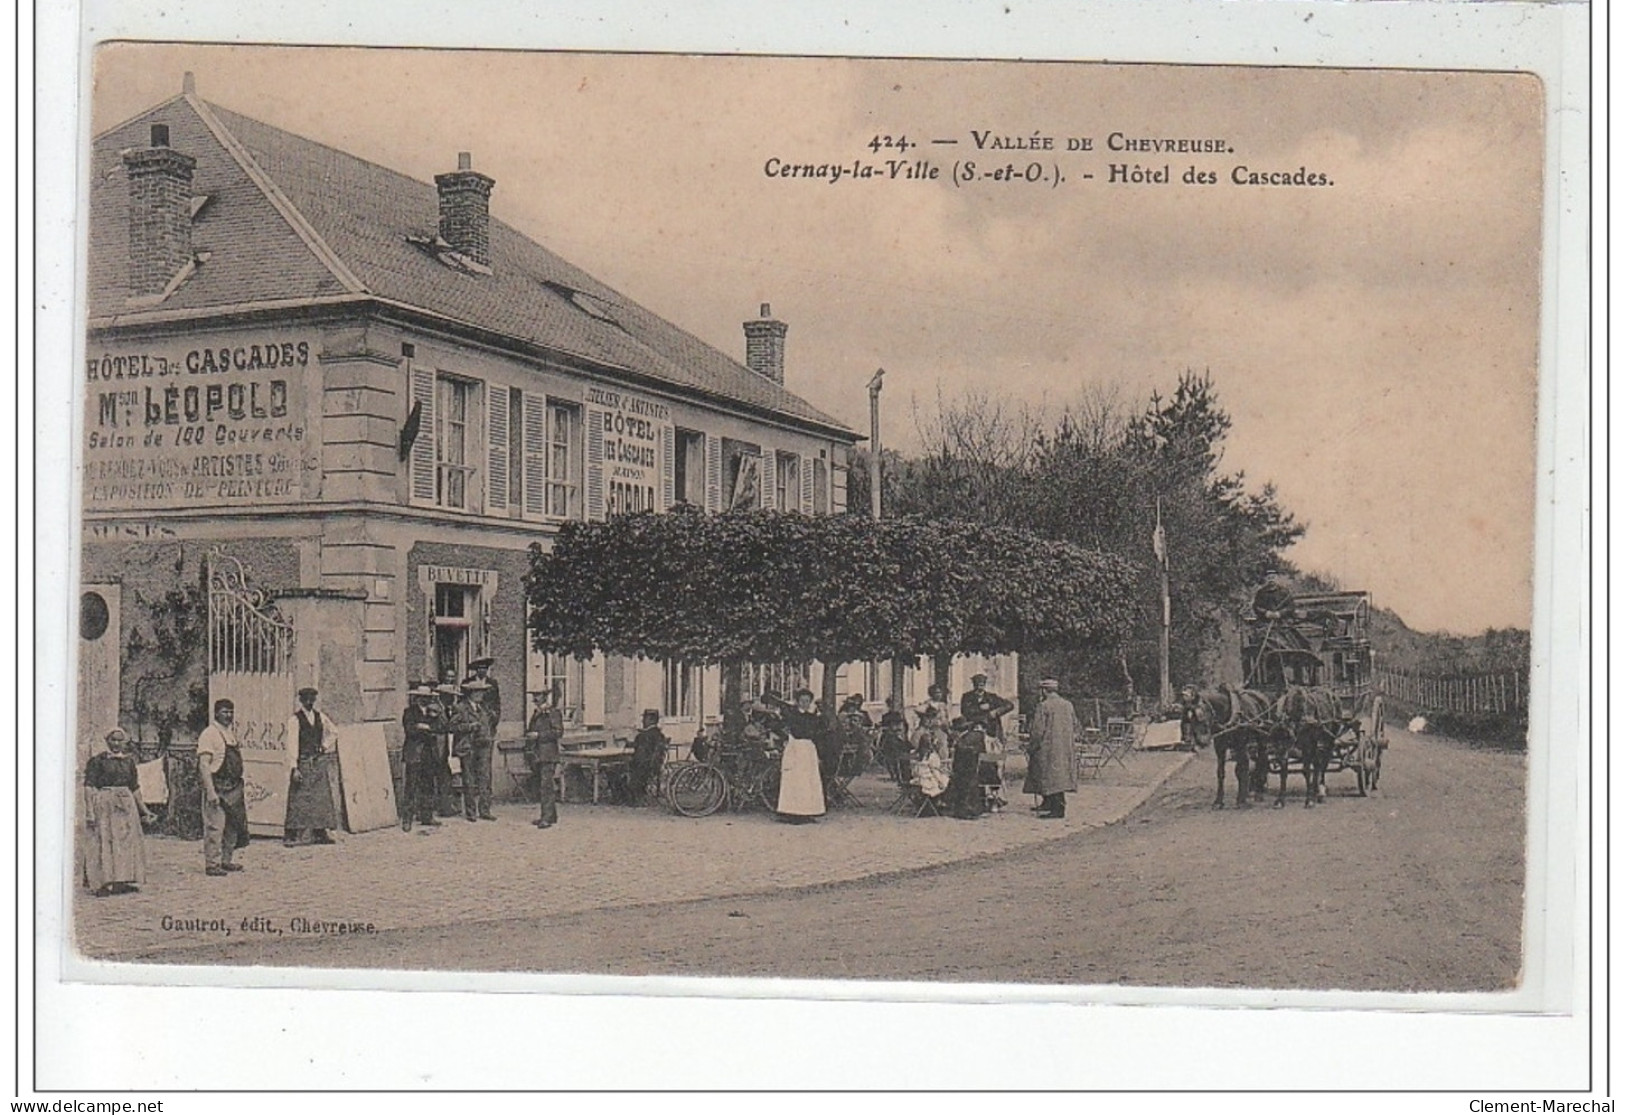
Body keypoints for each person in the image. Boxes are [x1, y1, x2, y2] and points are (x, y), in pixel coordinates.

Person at [82, 728, 152, 896]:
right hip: (105, 804)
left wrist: (144, 811)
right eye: (113, 740)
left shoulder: (129, 762)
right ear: (107, 741)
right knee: (105, 840)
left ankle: (122, 881)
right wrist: (90, 811)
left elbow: (135, 788)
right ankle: (102, 883)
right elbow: (89, 787)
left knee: (126, 842)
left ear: (125, 742)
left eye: (120, 740)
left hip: (126, 805)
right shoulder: (97, 761)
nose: (116, 743)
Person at [196, 699, 249, 875]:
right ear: (216, 713)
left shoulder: (230, 734)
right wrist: (210, 791)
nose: (228, 715)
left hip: (233, 786)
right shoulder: (209, 734)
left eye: (231, 712)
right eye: (225, 712)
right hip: (217, 785)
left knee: (232, 826)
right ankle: (212, 863)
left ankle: (226, 860)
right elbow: (204, 765)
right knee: (215, 826)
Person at [283, 687, 340, 846]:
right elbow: (292, 744)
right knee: (299, 797)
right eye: (306, 698)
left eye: (312, 698)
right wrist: (294, 767)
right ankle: (291, 834)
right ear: (300, 700)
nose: (309, 701)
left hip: (318, 761)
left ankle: (319, 832)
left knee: (320, 797)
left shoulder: (320, 717)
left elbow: (334, 732)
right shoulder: (294, 720)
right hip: (303, 762)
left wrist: (324, 746)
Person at [765, 689, 825, 822]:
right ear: (797, 702)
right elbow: (779, 726)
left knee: (809, 781)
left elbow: (817, 733)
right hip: (796, 748)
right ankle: (792, 812)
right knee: (795, 780)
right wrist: (786, 736)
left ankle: (808, 812)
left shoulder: (813, 717)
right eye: (802, 701)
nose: (805, 704)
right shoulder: (792, 715)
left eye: (807, 701)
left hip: (808, 749)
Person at [1023, 678, 1079, 820]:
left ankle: (1057, 809)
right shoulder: (1068, 705)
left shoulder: (1043, 706)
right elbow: (1075, 725)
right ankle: (1047, 802)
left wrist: (1031, 746)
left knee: (1048, 775)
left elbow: (1037, 730)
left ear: (1044, 691)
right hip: (1064, 747)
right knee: (1057, 774)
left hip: (1047, 747)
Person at [449, 682, 496, 821]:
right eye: (478, 692)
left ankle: (485, 811)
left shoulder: (483, 709)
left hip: (483, 748)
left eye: (482, 692)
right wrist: (469, 726)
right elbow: (452, 726)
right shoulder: (460, 708)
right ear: (471, 693)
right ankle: (471, 812)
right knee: (468, 780)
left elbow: (489, 725)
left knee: (485, 779)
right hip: (468, 748)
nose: (481, 695)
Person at [401, 684, 444, 832]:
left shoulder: (435, 713)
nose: (425, 700)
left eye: (428, 697)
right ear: (417, 697)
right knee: (411, 787)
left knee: (428, 786)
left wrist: (425, 727)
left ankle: (427, 816)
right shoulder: (409, 712)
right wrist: (424, 729)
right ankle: (407, 819)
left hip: (429, 754)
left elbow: (440, 728)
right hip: (414, 753)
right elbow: (410, 731)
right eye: (423, 697)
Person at [527, 690, 565, 828]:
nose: (535, 698)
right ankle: (550, 815)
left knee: (546, 786)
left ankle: (546, 818)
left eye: (537, 695)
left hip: (548, 754)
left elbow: (558, 732)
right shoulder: (537, 713)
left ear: (544, 696)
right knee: (543, 785)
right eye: (533, 696)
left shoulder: (552, 712)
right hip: (538, 754)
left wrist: (538, 735)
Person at [628, 709, 669, 805]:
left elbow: (640, 754)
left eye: (644, 718)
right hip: (655, 766)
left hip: (644, 766)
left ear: (651, 720)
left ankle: (629, 797)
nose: (642, 721)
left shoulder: (644, 736)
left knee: (616, 769)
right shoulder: (659, 734)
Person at [960, 673, 1015, 740]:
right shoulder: (967, 697)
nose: (979, 689)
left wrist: (995, 712)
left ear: (984, 685)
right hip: (973, 728)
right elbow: (964, 711)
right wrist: (980, 708)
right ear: (974, 686)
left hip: (991, 730)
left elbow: (1009, 705)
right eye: (976, 686)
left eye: (981, 686)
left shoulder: (992, 697)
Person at [877, 696, 912, 783]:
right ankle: (895, 773)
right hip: (887, 738)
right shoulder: (885, 716)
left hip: (897, 737)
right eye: (890, 704)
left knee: (907, 748)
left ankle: (904, 772)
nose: (892, 706)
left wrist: (900, 732)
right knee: (890, 752)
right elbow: (885, 728)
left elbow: (904, 727)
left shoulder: (899, 715)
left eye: (894, 704)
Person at [463, 656, 502, 726]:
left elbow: (496, 701)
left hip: (488, 718)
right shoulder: (467, 682)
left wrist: (496, 717)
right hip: (471, 718)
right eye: (479, 668)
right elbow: (463, 700)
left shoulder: (492, 683)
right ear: (476, 669)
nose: (482, 670)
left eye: (484, 668)